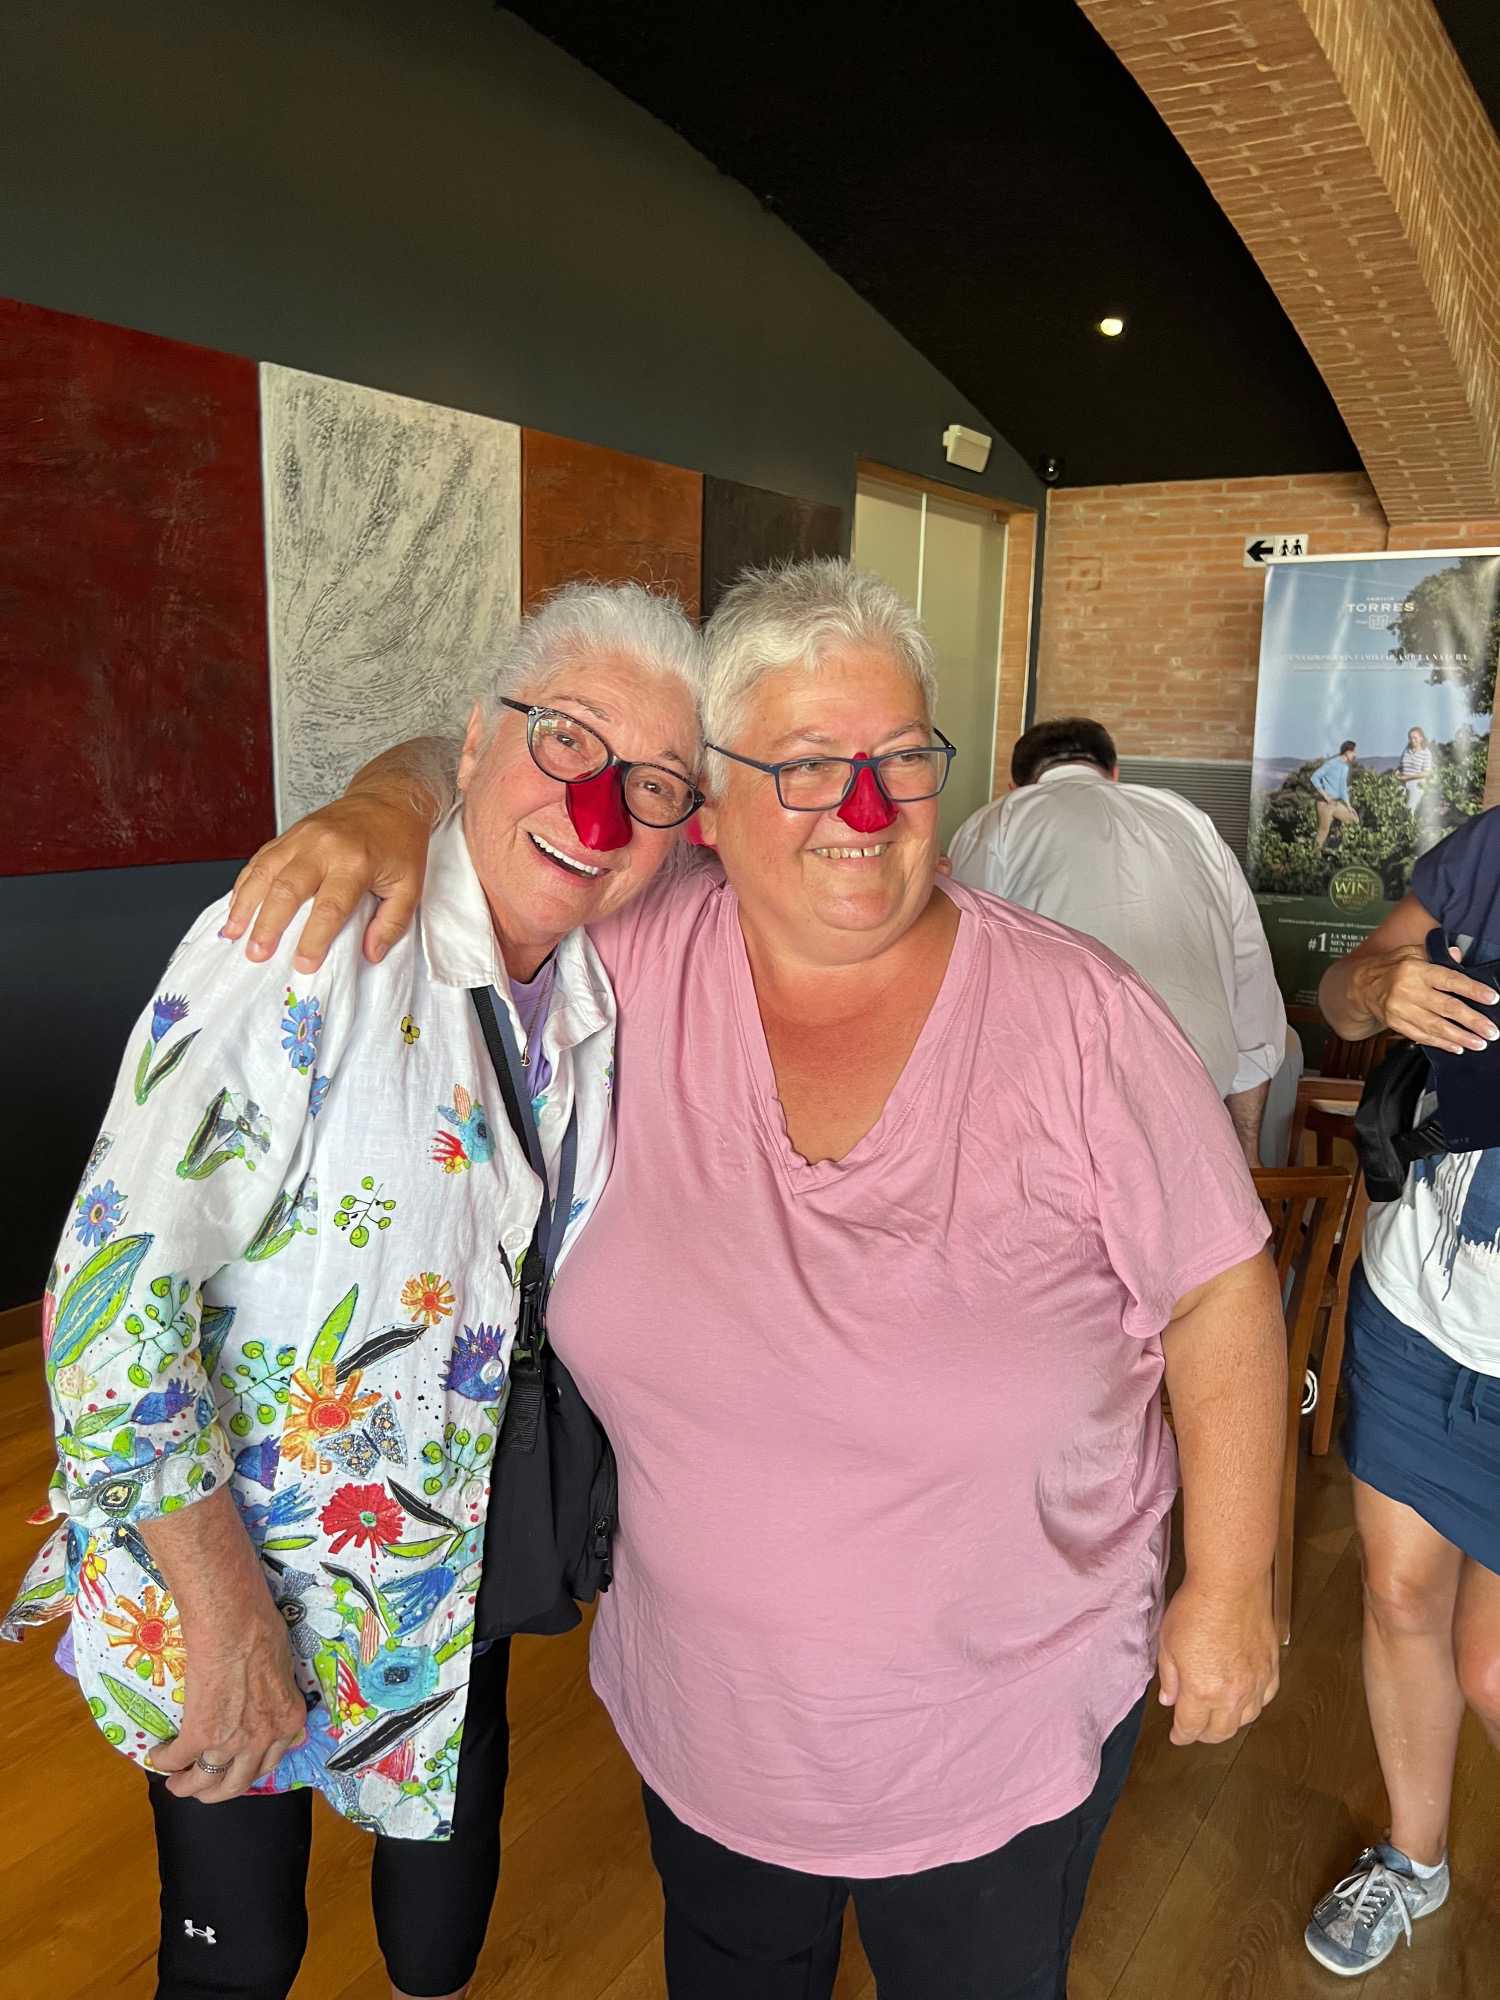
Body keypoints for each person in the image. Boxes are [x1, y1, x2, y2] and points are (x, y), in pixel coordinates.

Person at [224, 559, 1287, 2000]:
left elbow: (1219, 1288)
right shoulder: (629, 956)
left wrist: (1232, 1583)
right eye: (804, 766)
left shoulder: (1080, 1017)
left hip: (996, 1722)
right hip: (712, 1720)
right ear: (710, 810)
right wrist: (376, 804)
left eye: (900, 758)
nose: (865, 808)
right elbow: (491, 767)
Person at [2, 584, 705, 2000]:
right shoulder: (308, 937)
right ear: (478, 741)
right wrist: (223, 1614)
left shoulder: (594, 993)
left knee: (441, 1928)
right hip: (234, 1571)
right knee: (237, 1953)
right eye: (568, 739)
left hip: (455, 1560)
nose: (600, 808)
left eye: (655, 781)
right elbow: (110, 1299)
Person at [1303, 804, 1500, 1978]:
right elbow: (1340, 995)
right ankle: (1414, 1856)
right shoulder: (1491, 851)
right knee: (1398, 1591)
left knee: (1493, 1666)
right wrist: (1383, 988)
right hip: (1422, 1303)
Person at [947, 717, 1286, 1166]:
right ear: (1114, 772)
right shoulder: (1189, 820)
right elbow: (1252, 993)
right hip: (1194, 1111)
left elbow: (956, 976)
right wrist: (1246, 1158)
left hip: (1052, 1125)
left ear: (1015, 786)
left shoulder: (996, 822)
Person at [1397, 725, 1445, 858]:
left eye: (1415, 737)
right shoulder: (1407, 750)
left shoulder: (1426, 752)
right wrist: (1397, 772)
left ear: (1421, 738)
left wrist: (1408, 777)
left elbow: (1426, 773)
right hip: (1403, 783)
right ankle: (1397, 834)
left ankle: (1409, 838)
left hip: (1417, 783)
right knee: (1395, 804)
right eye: (1410, 738)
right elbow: (1400, 766)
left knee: (1409, 809)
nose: (1412, 740)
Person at [1312, 738, 1360, 852]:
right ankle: (1313, 857)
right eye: (1353, 752)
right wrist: (1325, 795)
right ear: (1347, 752)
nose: (1355, 755)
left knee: (1354, 820)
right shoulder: (1332, 763)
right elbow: (1314, 777)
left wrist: (1348, 806)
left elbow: (1342, 787)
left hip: (1335, 803)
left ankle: (1336, 849)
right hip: (1324, 804)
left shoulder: (1345, 767)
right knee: (1323, 832)